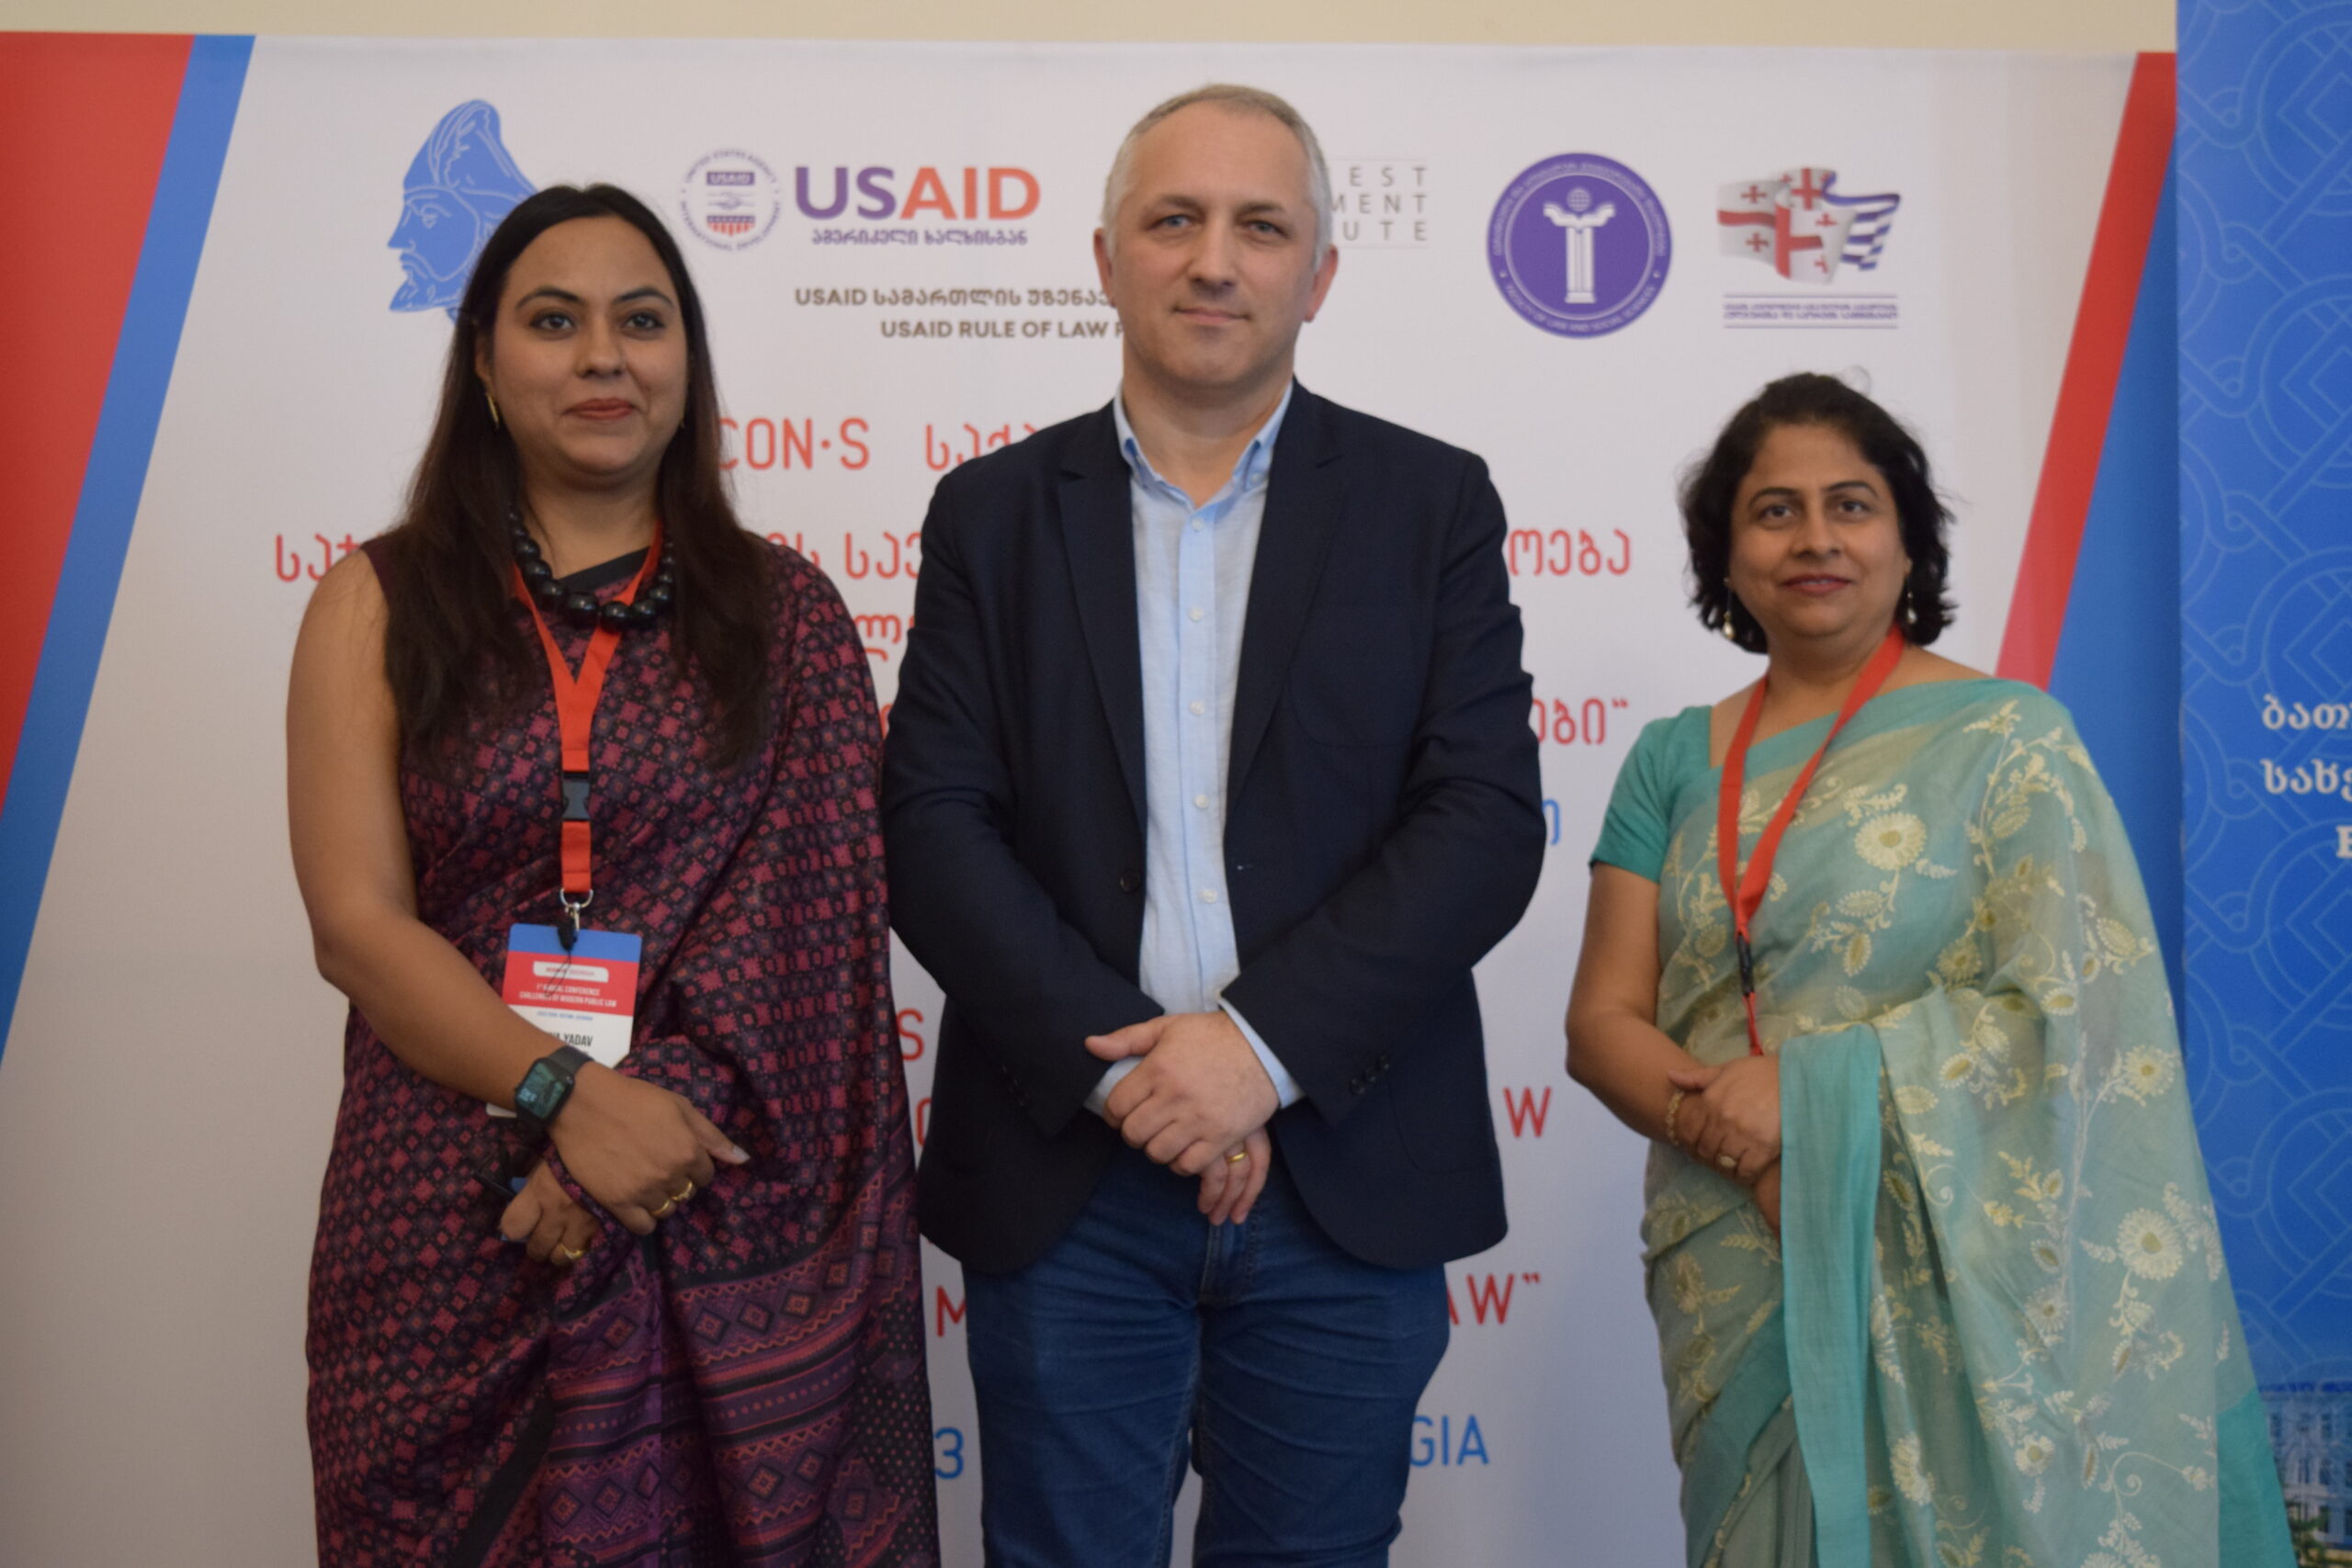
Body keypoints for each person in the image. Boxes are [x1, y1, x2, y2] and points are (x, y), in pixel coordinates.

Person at [883, 84, 1544, 1566]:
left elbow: (1484, 820)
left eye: (1261, 227)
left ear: (1320, 273)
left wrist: (1254, 1053)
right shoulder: (989, 513)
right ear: (1106, 258)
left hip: (1343, 1168)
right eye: (1173, 219)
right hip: (1071, 1182)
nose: (1213, 261)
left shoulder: (1431, 504)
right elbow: (932, 825)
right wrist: (1137, 1082)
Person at [289, 183, 938, 1566]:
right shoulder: (379, 602)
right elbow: (356, 924)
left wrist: (629, 1143)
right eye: (553, 321)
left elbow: (808, 940)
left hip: (712, 1189)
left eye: (642, 322)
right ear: (482, 358)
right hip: (444, 1218)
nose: (603, 357)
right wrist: (569, 1097)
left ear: (686, 361)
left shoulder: (787, 618)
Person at [1564, 372, 2292, 1567]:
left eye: (1850, 506)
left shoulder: (2011, 739)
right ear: (1726, 555)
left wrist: (1814, 1097)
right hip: (1730, 1247)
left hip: (1955, 1253)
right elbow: (1601, 1024)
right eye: (1775, 511)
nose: (1815, 538)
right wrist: (1742, 1141)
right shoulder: (1668, 761)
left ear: (1908, 543)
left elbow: (2075, 1014)